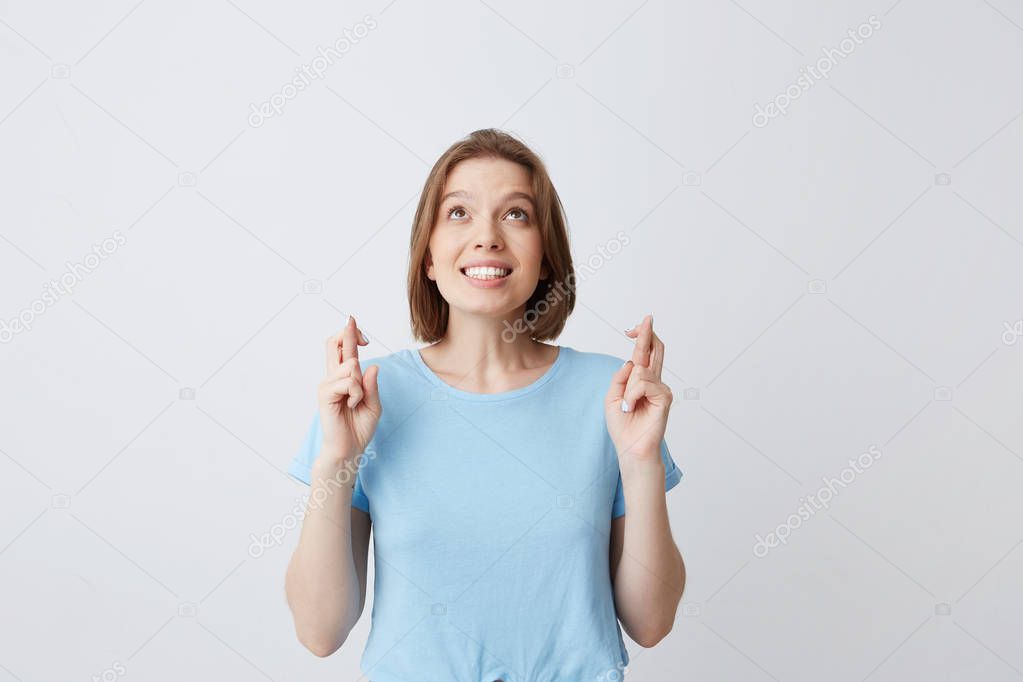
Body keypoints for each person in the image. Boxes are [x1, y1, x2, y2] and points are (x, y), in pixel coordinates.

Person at [284, 128, 685, 681]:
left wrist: (641, 463)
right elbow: (319, 632)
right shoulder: (368, 400)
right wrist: (335, 462)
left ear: (546, 257)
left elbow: (651, 622)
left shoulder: (611, 397)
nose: (487, 238)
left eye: (516, 215)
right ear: (428, 255)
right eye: (459, 214)